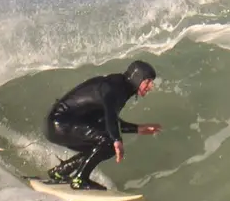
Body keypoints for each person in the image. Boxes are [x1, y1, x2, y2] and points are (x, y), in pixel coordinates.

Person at [43, 60, 163, 190]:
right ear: (137, 78)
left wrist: (137, 129)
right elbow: (109, 115)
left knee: (102, 144)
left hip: (61, 123)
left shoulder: (121, 86)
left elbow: (104, 119)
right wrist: (117, 140)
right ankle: (79, 179)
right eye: (148, 81)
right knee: (108, 142)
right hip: (61, 123)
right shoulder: (115, 87)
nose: (151, 86)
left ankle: (61, 172)